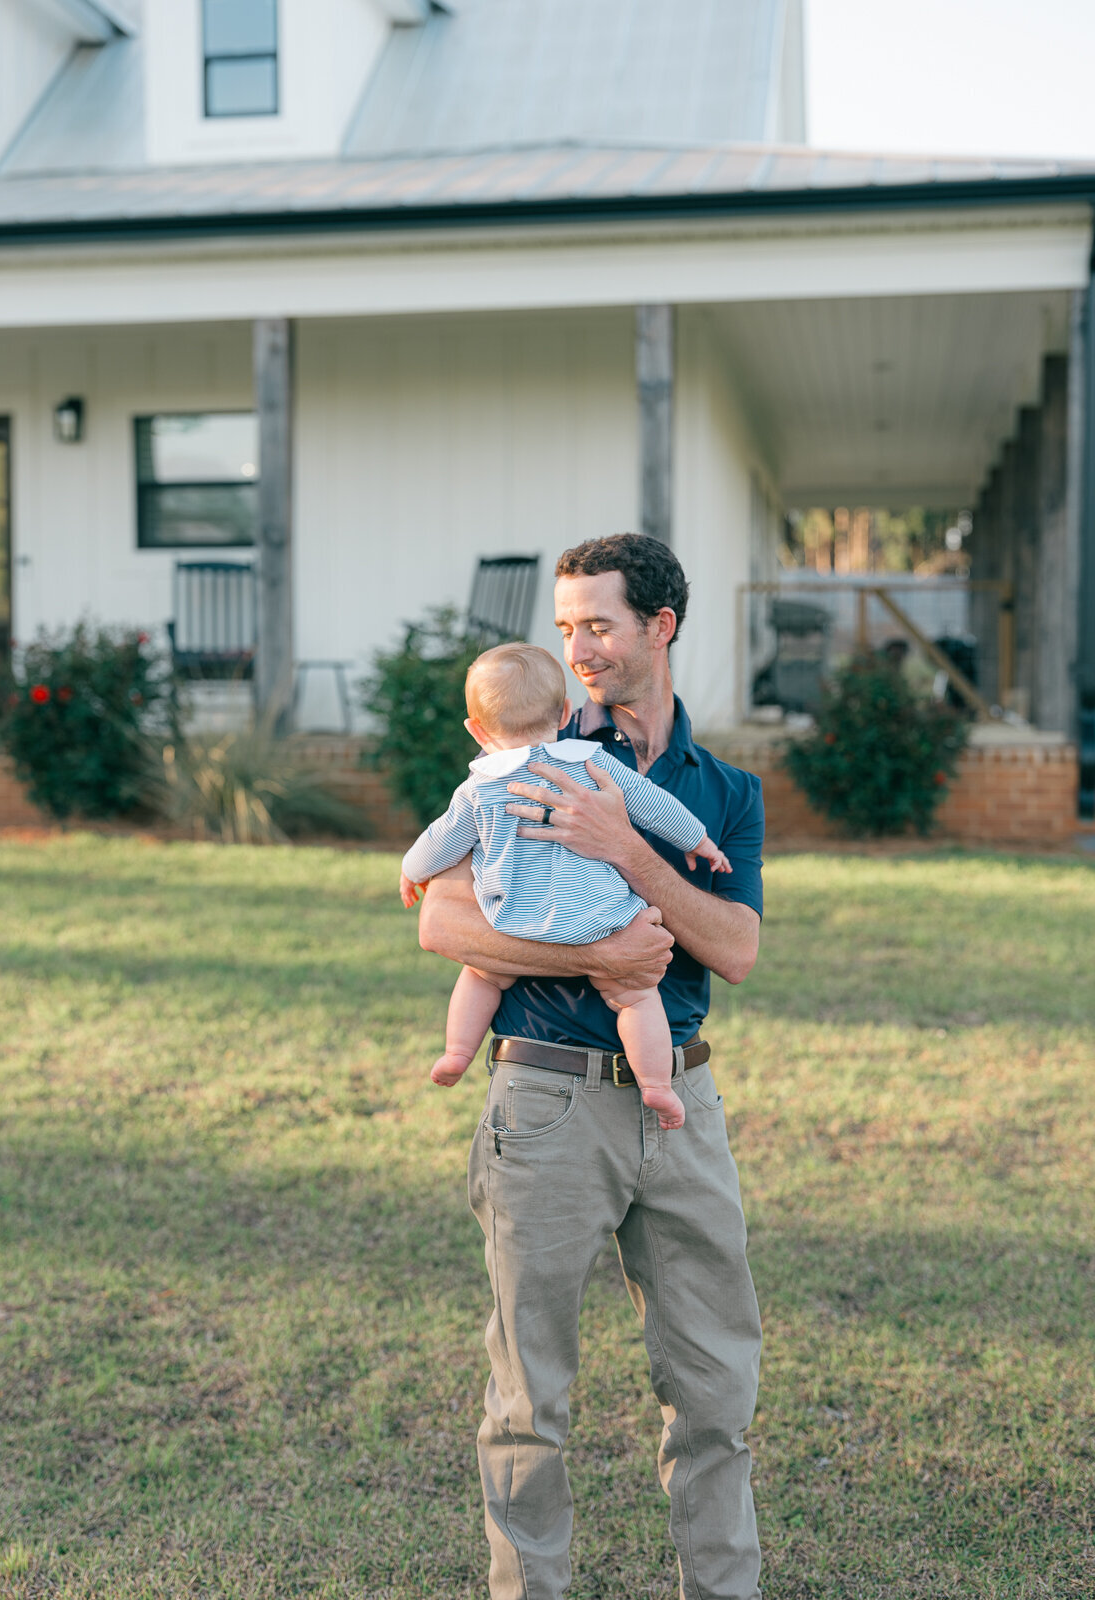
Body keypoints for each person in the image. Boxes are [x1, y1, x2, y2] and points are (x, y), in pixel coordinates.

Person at [416, 534, 766, 1600]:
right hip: (548, 1099)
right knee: (530, 1398)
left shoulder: (725, 789)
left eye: (598, 624)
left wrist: (626, 849)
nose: (579, 648)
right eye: (565, 627)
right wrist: (595, 955)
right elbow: (440, 914)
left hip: (682, 1105)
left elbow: (737, 947)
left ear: (661, 626)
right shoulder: (527, 754)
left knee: (714, 1389)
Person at [399, 641, 732, 1129]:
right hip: (597, 916)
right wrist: (698, 840)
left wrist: (411, 870)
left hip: (518, 918)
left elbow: (439, 841)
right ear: (563, 712)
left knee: (481, 976)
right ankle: (658, 1085)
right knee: (637, 997)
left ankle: (456, 1052)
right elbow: (651, 803)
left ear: (476, 729)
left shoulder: (479, 787)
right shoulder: (590, 764)